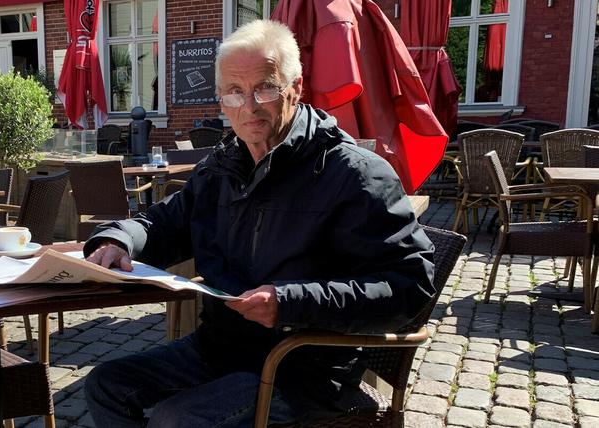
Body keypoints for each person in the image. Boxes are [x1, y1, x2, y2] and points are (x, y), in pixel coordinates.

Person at [82, 19, 436, 427]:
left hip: (301, 368)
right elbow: (164, 222)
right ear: (220, 98)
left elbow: (411, 286)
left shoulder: (353, 175)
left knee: (174, 419)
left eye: (265, 88)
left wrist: (290, 302)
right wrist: (118, 239)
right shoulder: (223, 166)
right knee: (106, 384)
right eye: (234, 92)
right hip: (221, 349)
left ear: (296, 88)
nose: (249, 107)